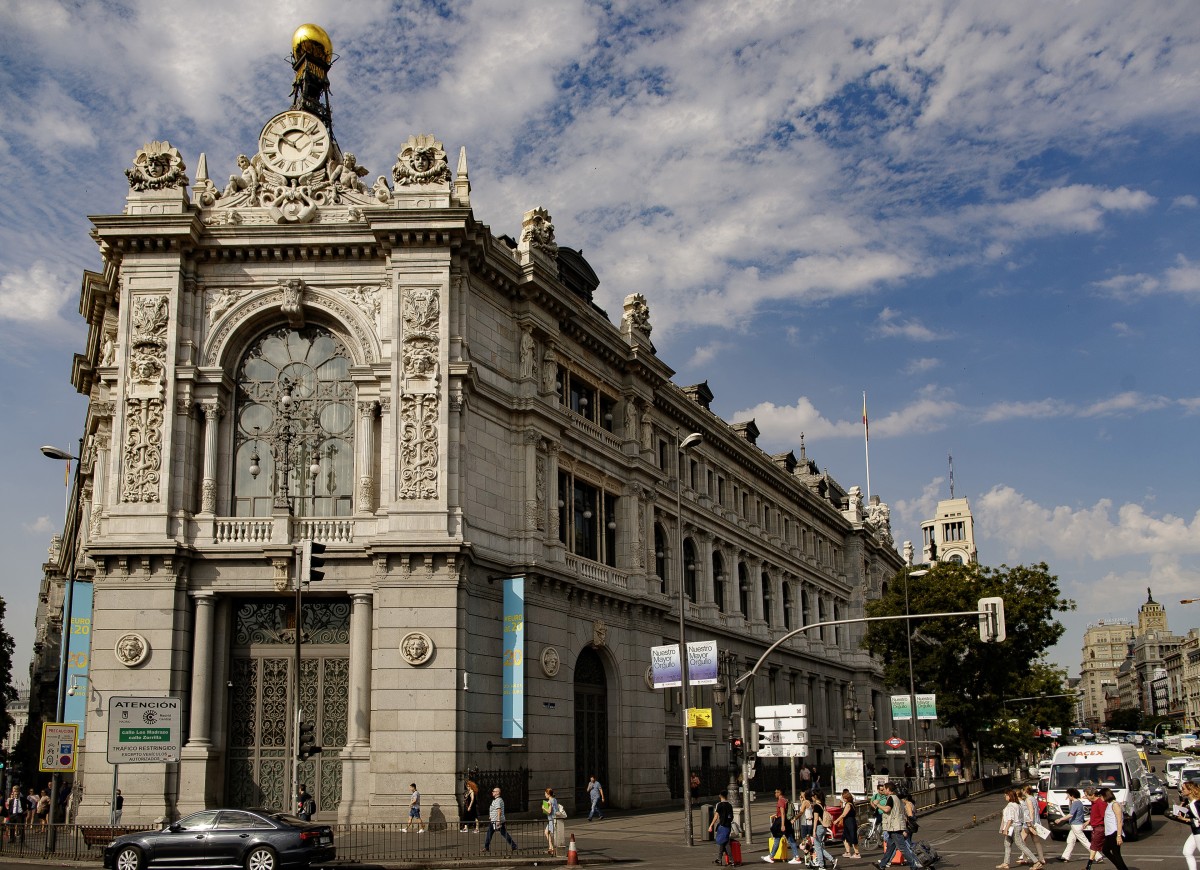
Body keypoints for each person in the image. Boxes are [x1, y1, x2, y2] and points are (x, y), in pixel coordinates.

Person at [877, 782, 923, 870]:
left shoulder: (891, 798)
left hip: (895, 827)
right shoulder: (898, 798)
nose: (883, 791)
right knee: (890, 848)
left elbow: (887, 809)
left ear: (888, 789)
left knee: (903, 848)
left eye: (884, 789)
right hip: (896, 826)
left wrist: (878, 805)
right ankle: (882, 864)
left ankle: (914, 866)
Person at [999, 788, 1040, 869]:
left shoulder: (1011, 806)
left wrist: (1006, 829)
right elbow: (1025, 816)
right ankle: (1005, 863)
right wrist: (1030, 825)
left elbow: (1010, 819)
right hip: (1017, 826)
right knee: (1007, 844)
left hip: (1013, 827)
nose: (1005, 797)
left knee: (1021, 845)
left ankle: (1036, 862)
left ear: (1010, 796)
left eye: (1006, 795)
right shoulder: (1018, 805)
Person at [1097, 787, 1129, 870]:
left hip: (1114, 832)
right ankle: (1121, 867)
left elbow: (1119, 821)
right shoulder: (1109, 804)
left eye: (1101, 796)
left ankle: (1122, 868)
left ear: (1105, 795)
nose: (1100, 798)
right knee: (1105, 850)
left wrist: (1119, 836)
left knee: (1116, 853)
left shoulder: (1115, 804)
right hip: (1109, 833)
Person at [1057, 787, 1090, 861]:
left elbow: (1071, 814)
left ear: (1072, 795)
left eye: (1068, 795)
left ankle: (1097, 856)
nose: (1067, 797)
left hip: (1076, 825)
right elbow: (1071, 808)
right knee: (1070, 841)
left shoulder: (1076, 803)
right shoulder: (1078, 802)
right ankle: (1065, 857)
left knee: (1085, 841)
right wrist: (1069, 800)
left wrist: (1060, 819)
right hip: (1075, 825)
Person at [483, 786, 518, 852]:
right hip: (494, 820)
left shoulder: (498, 800)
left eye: (493, 791)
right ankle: (486, 847)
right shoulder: (497, 800)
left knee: (503, 833)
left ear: (497, 792)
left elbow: (499, 810)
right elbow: (495, 810)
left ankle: (514, 846)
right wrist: (491, 816)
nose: (492, 792)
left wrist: (498, 820)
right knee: (491, 833)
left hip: (497, 821)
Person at [1175, 780, 1200, 870]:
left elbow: (1198, 820)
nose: (1182, 791)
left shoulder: (1196, 803)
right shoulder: (1190, 803)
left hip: (1198, 832)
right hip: (1195, 832)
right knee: (1187, 851)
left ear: (1190, 790)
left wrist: (1184, 819)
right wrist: (1181, 807)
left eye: (1183, 789)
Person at [1020, 783, 1047, 865]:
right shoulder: (1033, 798)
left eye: (1023, 790)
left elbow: (1031, 811)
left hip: (1029, 823)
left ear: (1025, 791)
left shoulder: (1028, 799)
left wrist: (1030, 823)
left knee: (1021, 840)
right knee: (1036, 841)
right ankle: (1041, 858)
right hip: (1036, 822)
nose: (1022, 791)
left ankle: (1025, 857)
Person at [811, 790, 838, 869]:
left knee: (818, 848)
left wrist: (813, 830)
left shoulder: (816, 806)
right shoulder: (823, 804)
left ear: (815, 797)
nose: (812, 798)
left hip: (818, 827)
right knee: (819, 847)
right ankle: (832, 860)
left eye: (812, 796)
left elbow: (816, 819)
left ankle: (822, 866)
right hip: (824, 827)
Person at [708, 789, 735, 866]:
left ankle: (730, 860)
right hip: (728, 826)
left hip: (722, 826)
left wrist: (711, 826)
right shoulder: (729, 805)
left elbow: (716, 817)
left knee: (724, 843)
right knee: (723, 842)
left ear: (720, 796)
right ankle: (720, 859)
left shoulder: (719, 805)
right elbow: (731, 817)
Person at [1083, 786, 1106, 870]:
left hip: (1100, 828)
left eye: (1086, 795)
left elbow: (1104, 816)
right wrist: (1088, 821)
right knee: (1100, 847)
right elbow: (1095, 815)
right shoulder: (1094, 803)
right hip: (1096, 827)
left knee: (1094, 846)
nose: (1086, 797)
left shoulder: (1100, 802)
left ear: (1092, 795)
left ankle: (1088, 866)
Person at [838, 788, 861, 859]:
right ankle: (848, 852)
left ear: (847, 798)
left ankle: (857, 853)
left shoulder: (848, 805)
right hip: (848, 822)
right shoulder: (851, 804)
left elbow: (843, 814)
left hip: (850, 822)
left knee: (853, 837)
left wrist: (837, 820)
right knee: (845, 837)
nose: (843, 799)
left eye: (844, 798)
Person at [543, 787, 559, 857]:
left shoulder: (550, 801)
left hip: (551, 820)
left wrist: (543, 807)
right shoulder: (554, 800)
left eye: (545, 793)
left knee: (553, 834)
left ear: (548, 794)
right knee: (547, 832)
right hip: (553, 819)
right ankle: (551, 847)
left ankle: (553, 849)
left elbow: (549, 812)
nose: (545, 795)